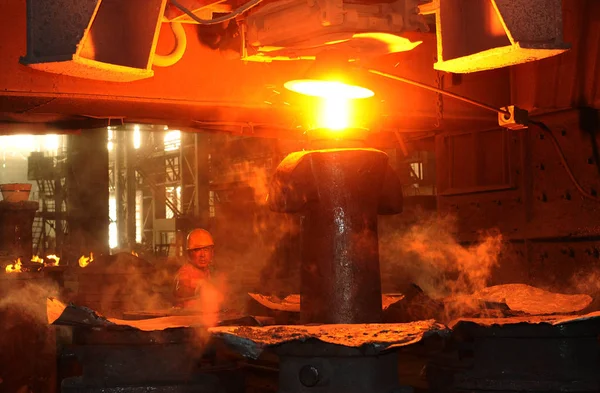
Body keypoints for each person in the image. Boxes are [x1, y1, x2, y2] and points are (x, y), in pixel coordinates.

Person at [174, 228, 215, 308]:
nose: (202, 255)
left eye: (206, 250)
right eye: (197, 250)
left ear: (212, 252)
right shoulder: (185, 273)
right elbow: (181, 289)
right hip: (186, 318)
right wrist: (199, 286)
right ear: (189, 254)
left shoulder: (208, 271)